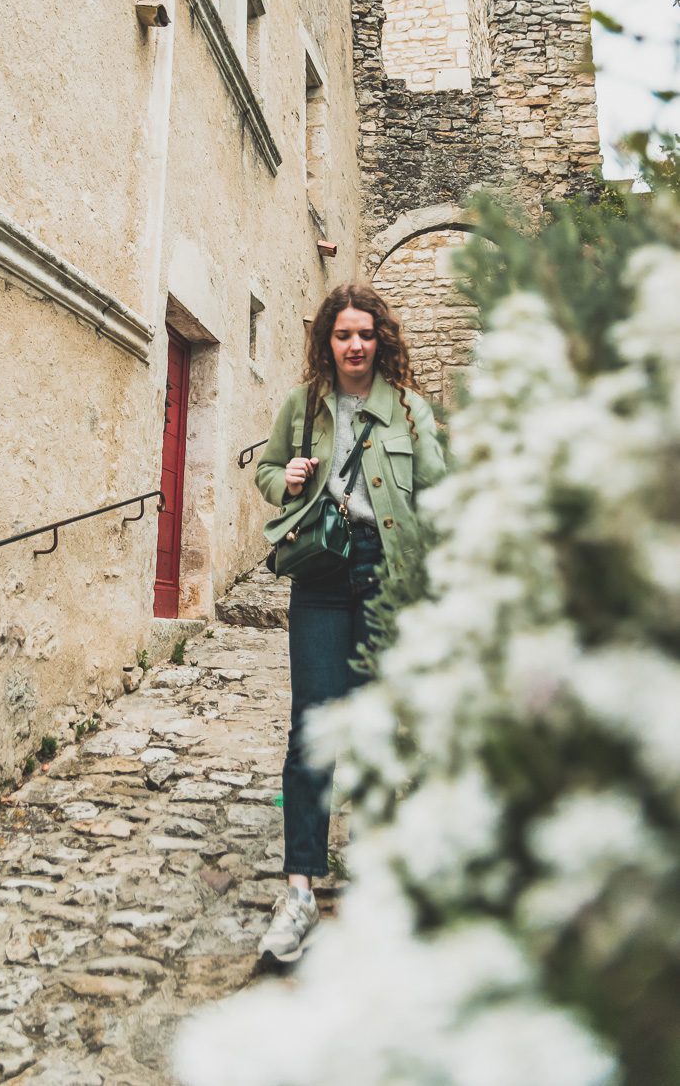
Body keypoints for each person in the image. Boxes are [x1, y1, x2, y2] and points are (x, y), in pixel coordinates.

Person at [254, 282, 445, 968]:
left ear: (380, 340)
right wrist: (290, 481)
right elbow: (267, 471)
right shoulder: (301, 406)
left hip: (388, 578)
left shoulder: (412, 415)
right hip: (321, 578)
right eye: (343, 334)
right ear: (327, 341)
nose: (355, 345)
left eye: (365, 334)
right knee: (312, 728)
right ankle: (300, 890)